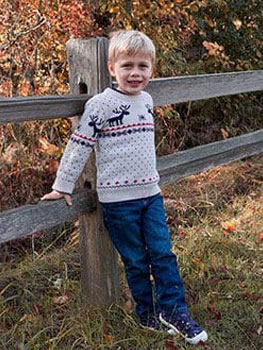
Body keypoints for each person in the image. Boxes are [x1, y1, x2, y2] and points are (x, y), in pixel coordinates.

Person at [41, 30, 208, 345]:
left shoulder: (147, 100)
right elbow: (80, 145)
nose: (135, 73)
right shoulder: (101, 105)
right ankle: (146, 314)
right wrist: (63, 185)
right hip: (118, 202)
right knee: (135, 259)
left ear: (151, 69)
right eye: (128, 65)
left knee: (163, 254)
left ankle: (173, 310)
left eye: (143, 66)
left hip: (151, 195)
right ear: (111, 68)